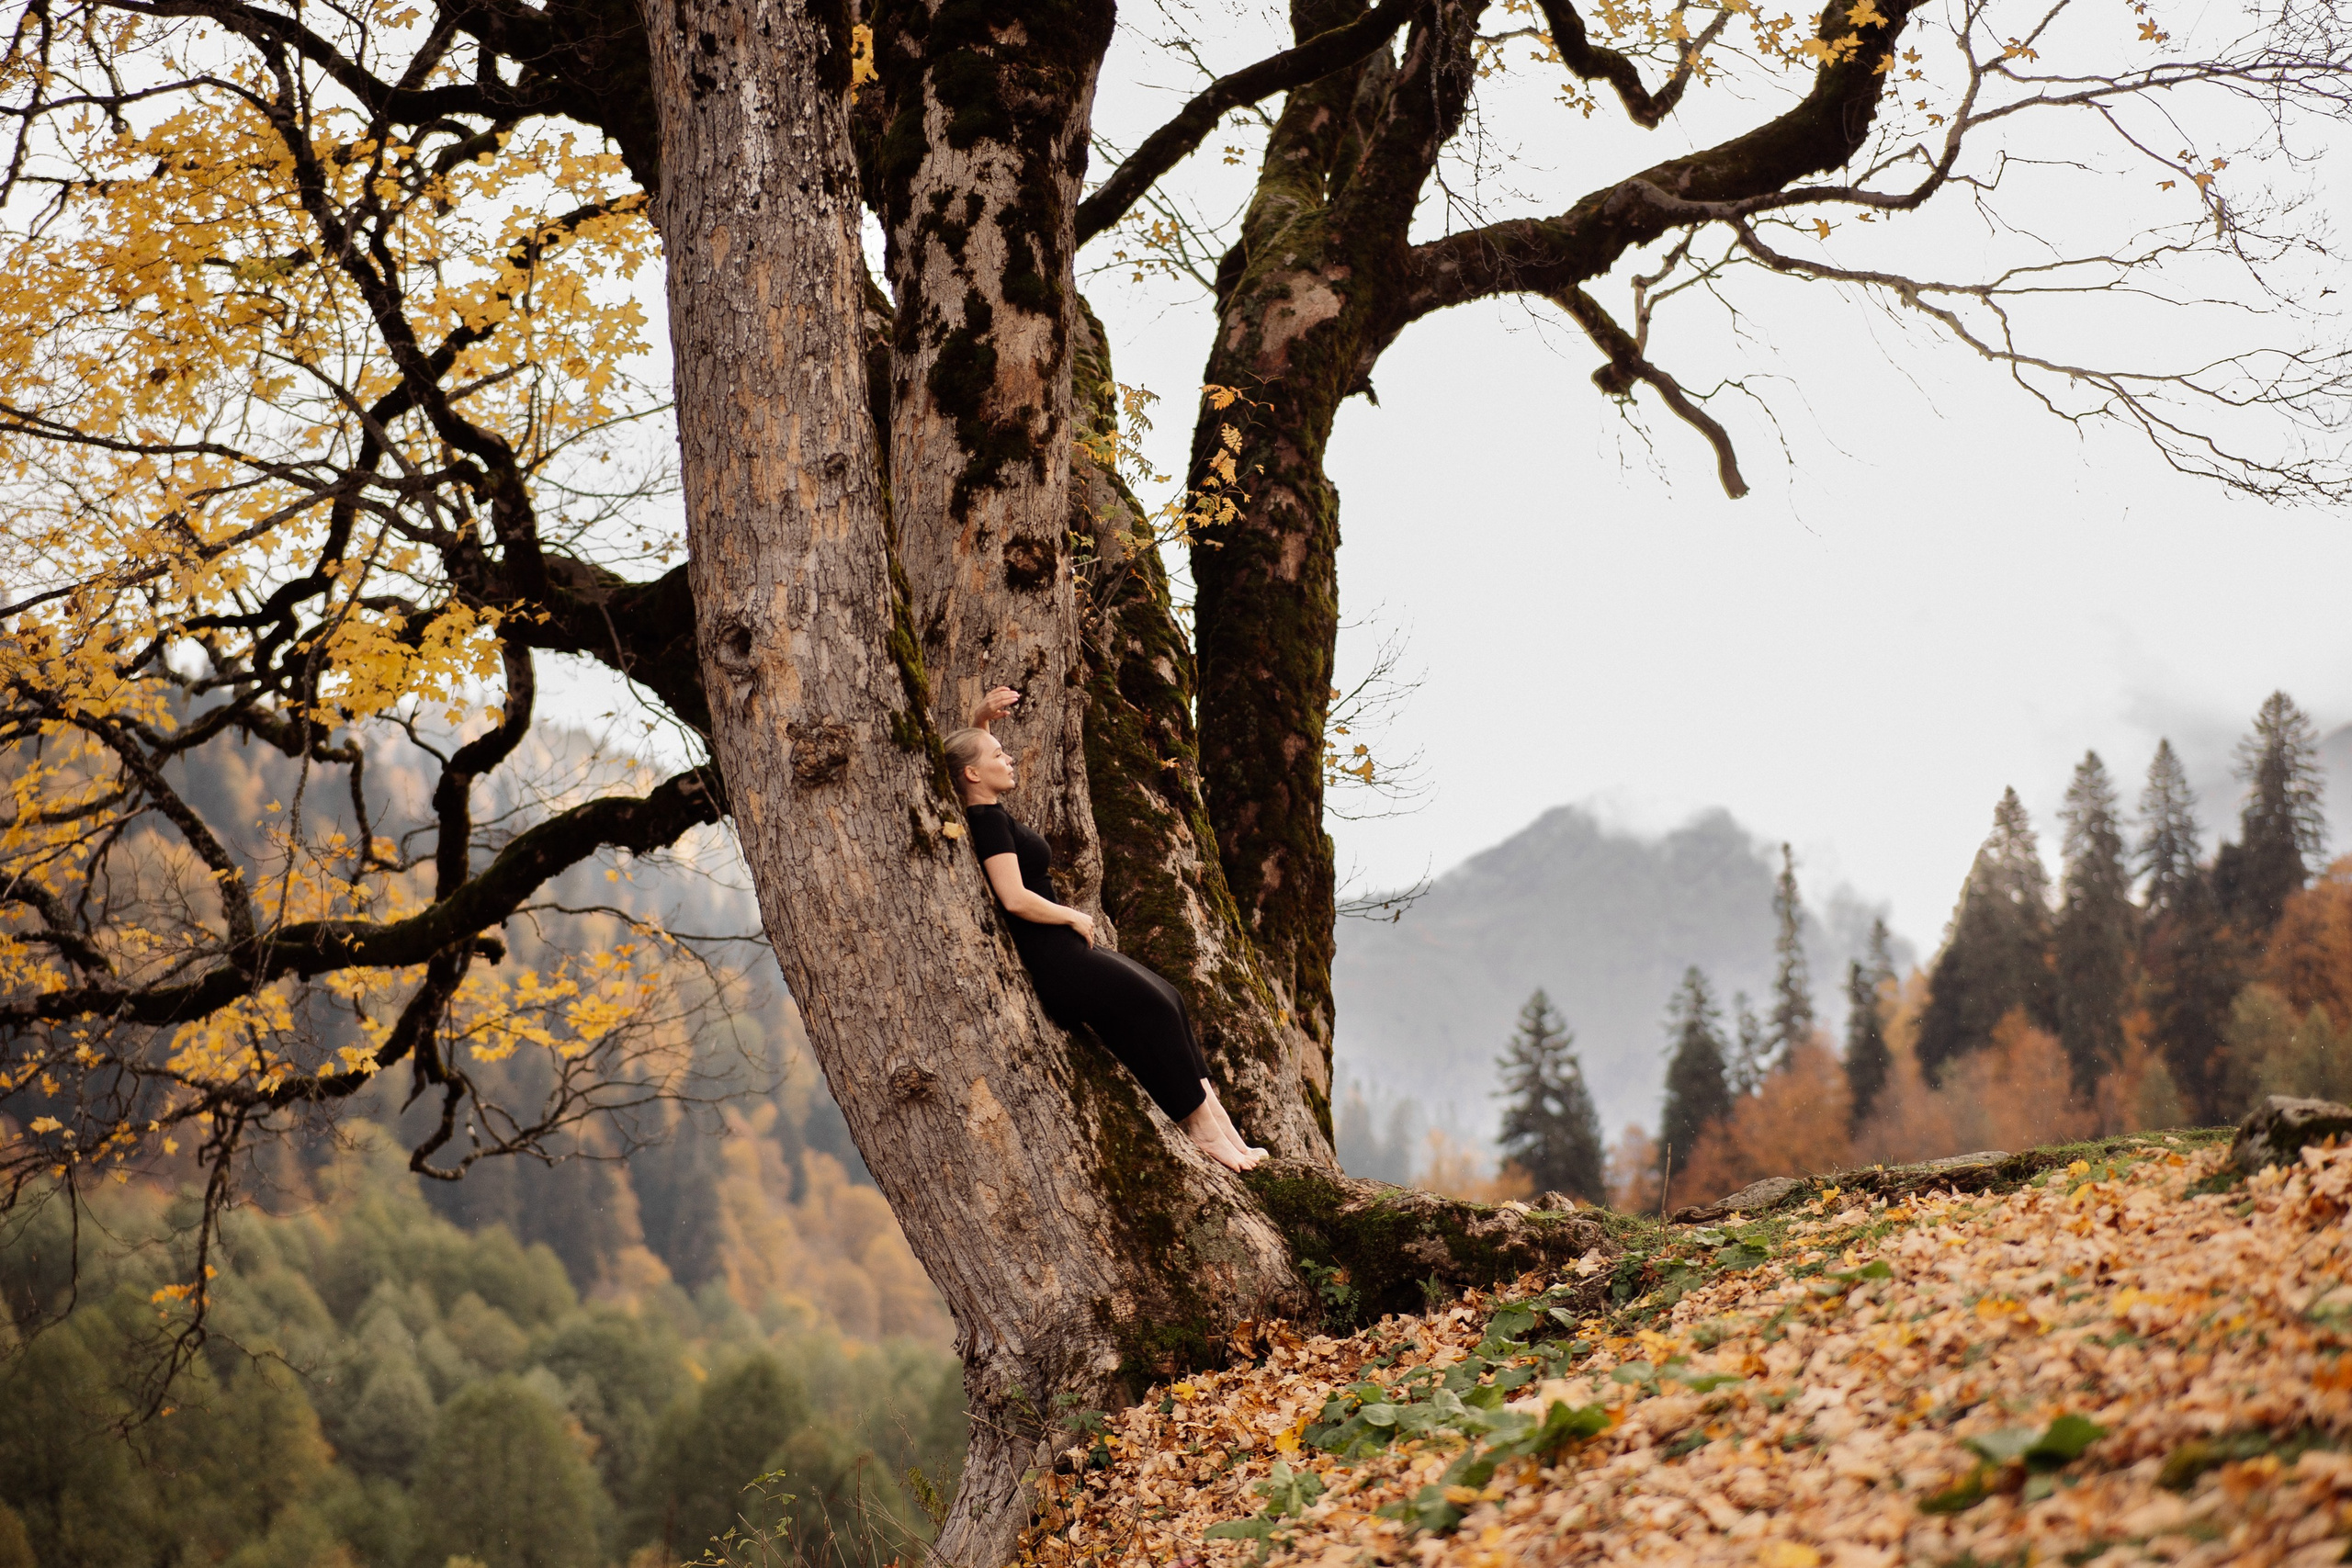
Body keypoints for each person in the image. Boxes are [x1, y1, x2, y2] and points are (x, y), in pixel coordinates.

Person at [945, 686, 1266, 1172]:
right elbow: (1013, 897)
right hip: (1056, 963)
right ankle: (1202, 1134)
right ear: (973, 773)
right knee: (1152, 1008)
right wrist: (1073, 915)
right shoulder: (986, 821)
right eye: (998, 755)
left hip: (1067, 952)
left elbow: (970, 760)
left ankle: (1224, 1130)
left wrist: (981, 720)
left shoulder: (990, 808)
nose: (1008, 759)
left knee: (1170, 998)